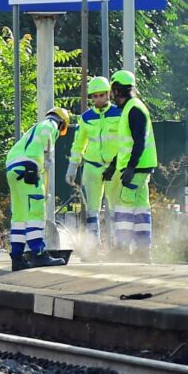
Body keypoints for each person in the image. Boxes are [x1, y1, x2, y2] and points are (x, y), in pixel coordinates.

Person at [5, 107, 70, 271]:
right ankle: (38, 253)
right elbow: (46, 140)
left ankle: (17, 257)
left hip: (13, 168)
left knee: (19, 215)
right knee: (36, 213)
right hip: (28, 169)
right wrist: (43, 160)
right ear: (62, 123)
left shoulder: (34, 128)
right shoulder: (50, 125)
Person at [65, 76, 122, 251]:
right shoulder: (86, 118)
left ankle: (117, 247)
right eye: (94, 96)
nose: (98, 99)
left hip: (114, 167)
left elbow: (125, 141)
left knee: (116, 208)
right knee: (92, 209)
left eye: (101, 95)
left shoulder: (119, 114)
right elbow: (79, 144)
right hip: (92, 166)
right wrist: (72, 167)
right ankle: (93, 246)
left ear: (108, 95)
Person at [109, 70, 156, 261]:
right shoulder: (132, 108)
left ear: (118, 90)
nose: (111, 94)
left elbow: (139, 141)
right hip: (140, 167)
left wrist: (130, 167)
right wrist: (114, 165)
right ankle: (144, 250)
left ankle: (122, 248)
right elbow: (126, 144)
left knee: (125, 205)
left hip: (136, 168)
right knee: (140, 207)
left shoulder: (134, 109)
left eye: (113, 90)